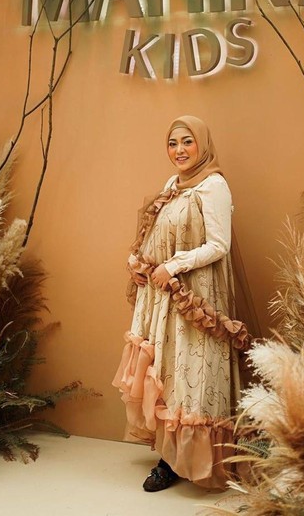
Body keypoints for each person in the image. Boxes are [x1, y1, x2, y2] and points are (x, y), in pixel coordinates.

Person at [112, 115, 250, 492]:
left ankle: (194, 458)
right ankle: (170, 455)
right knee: (170, 371)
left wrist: (173, 266)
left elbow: (219, 245)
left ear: (202, 144)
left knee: (195, 372)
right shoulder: (173, 184)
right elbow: (158, 232)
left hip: (196, 296)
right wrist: (138, 262)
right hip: (164, 296)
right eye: (172, 143)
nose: (179, 150)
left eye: (187, 141)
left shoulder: (214, 186)